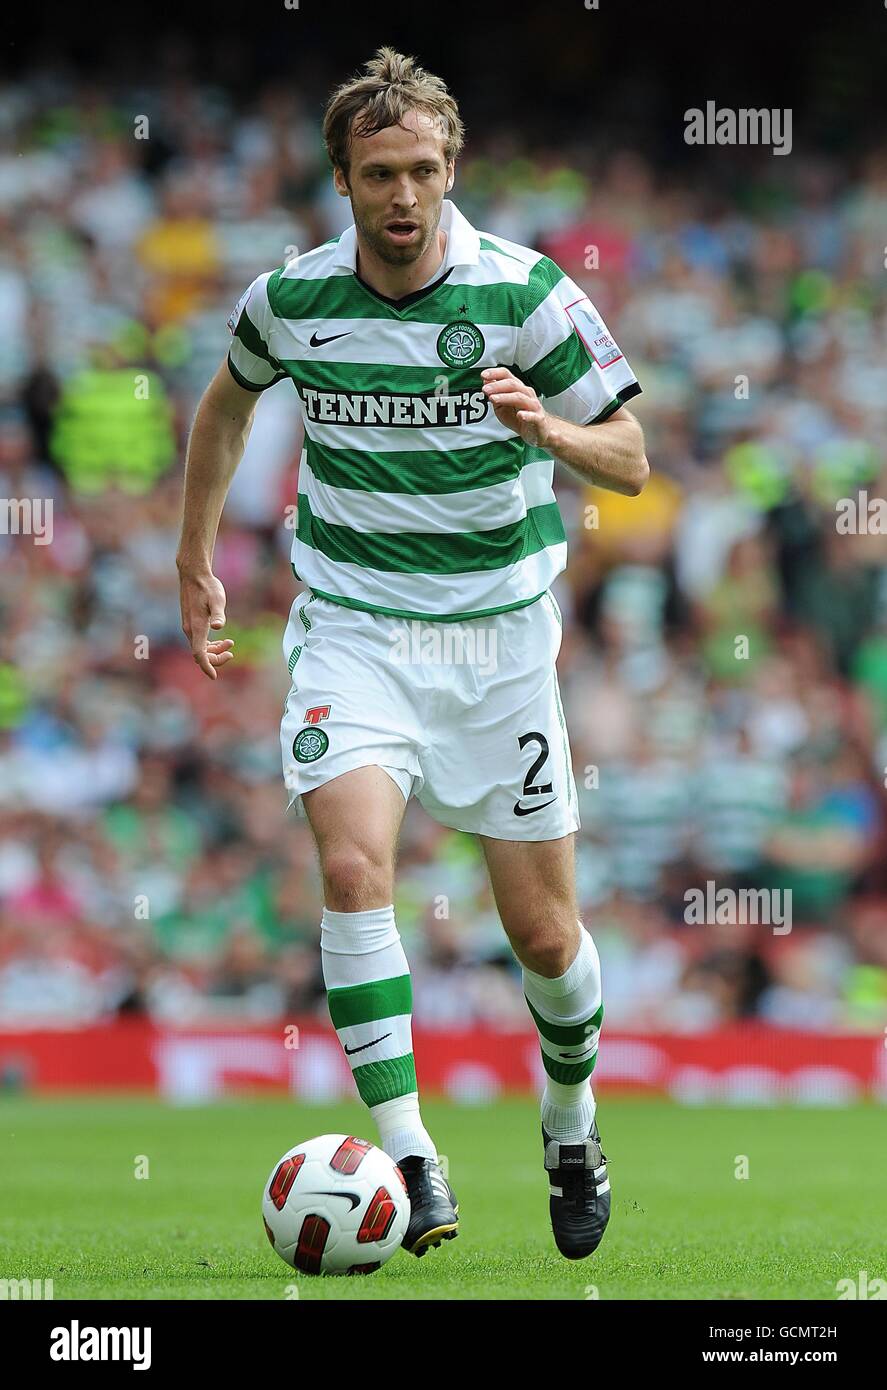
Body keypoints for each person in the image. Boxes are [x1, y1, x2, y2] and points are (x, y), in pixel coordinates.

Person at [177, 46, 648, 1262]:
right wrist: (193, 559)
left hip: (499, 648)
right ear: (342, 176)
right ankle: (411, 1155)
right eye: (380, 172)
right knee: (349, 871)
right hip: (356, 632)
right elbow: (226, 406)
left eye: (424, 171)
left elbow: (633, 457)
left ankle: (569, 1122)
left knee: (545, 941)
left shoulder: (527, 294)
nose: (403, 195)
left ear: (453, 172)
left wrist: (546, 426)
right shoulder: (289, 300)